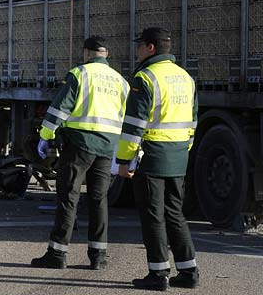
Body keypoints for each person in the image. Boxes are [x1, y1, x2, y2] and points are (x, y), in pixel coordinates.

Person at [31, 36, 129, 270]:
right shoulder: (121, 81)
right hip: (107, 147)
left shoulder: (80, 74)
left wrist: (45, 136)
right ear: (106, 55)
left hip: (79, 145)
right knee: (99, 200)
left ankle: (57, 254)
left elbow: (59, 109)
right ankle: (98, 257)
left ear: (87, 53)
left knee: (68, 197)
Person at [116, 27, 199, 291]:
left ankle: (158, 273)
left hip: (151, 157)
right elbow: (193, 119)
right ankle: (189, 272)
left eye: (140, 44)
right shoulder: (185, 77)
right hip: (177, 156)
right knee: (175, 213)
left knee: (153, 216)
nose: (137, 49)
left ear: (151, 47)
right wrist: (183, 149)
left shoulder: (145, 77)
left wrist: (123, 161)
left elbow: (133, 125)